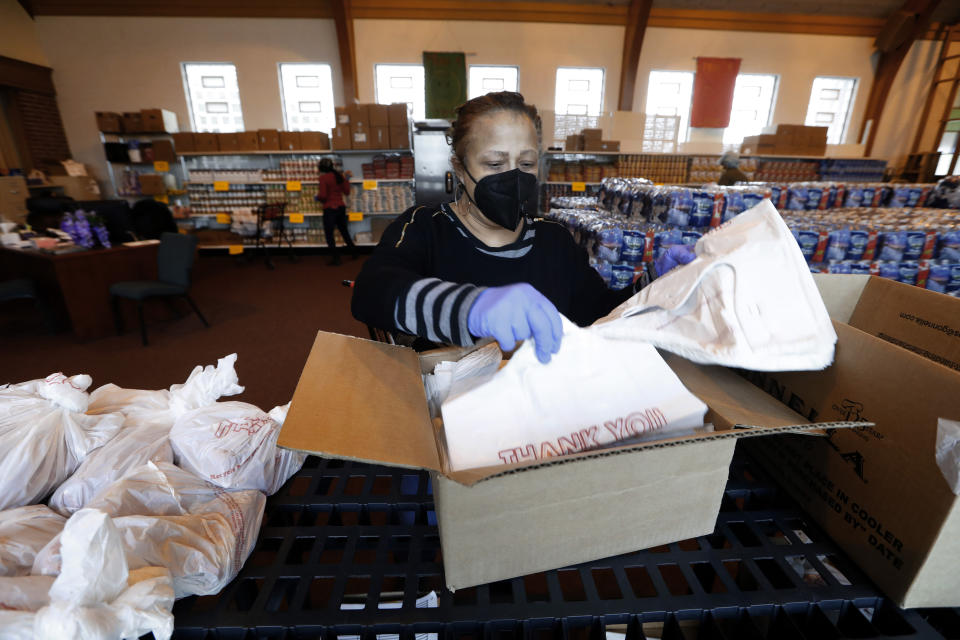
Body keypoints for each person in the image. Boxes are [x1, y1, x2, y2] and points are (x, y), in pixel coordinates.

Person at [351, 91, 694, 363]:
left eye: (526, 163)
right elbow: (372, 292)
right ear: (459, 168)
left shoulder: (554, 240)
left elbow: (600, 316)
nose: (513, 177)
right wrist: (471, 307)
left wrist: (654, 283)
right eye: (495, 163)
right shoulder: (425, 228)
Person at [317, 157, 357, 265]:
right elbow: (347, 192)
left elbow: (323, 195)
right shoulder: (339, 176)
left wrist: (318, 197)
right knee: (344, 231)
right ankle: (353, 252)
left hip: (330, 209)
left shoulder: (323, 178)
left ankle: (336, 258)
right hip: (340, 207)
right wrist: (347, 179)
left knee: (329, 234)